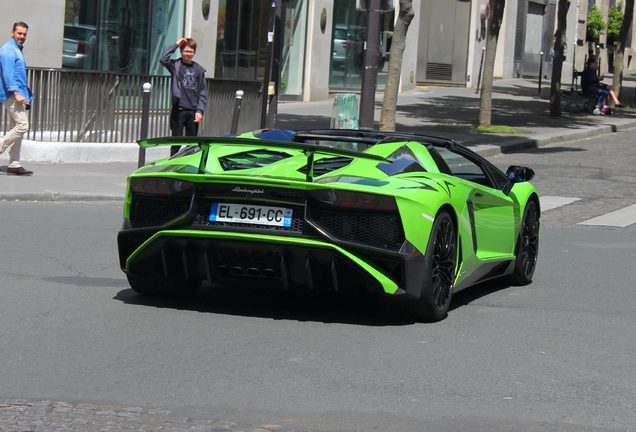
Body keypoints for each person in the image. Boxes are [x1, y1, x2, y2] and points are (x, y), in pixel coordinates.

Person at [160, 38, 207, 156]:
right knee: (176, 142)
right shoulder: (175, 65)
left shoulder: (199, 70)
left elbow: (203, 91)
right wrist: (176, 44)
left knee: (192, 144)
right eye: (186, 51)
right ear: (181, 51)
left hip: (193, 111)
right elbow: (163, 58)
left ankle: (189, 165)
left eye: (191, 51)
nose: (188, 54)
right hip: (179, 110)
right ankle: (173, 165)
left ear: (194, 52)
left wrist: (200, 110)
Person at [0, 22, 34, 176]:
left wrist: (24, 94)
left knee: (17, 128)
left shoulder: (17, 49)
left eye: (24, 34)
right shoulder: (8, 50)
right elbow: (7, 74)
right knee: (22, 125)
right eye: (19, 33)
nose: (22, 37)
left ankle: (14, 164)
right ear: (12, 32)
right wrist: (16, 93)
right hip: (11, 94)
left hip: (17, 95)